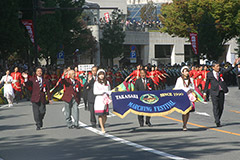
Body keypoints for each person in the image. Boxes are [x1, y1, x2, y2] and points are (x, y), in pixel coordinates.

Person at [203, 61, 232, 127]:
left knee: (221, 107)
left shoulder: (221, 72)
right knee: (215, 106)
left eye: (219, 66)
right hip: (214, 92)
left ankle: (218, 118)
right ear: (213, 67)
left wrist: (233, 64)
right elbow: (207, 84)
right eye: (217, 66)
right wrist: (204, 92)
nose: (218, 67)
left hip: (221, 91)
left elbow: (228, 70)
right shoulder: (209, 74)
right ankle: (217, 121)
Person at [174, 66, 195, 131]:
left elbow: (193, 87)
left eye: (187, 71)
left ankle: (185, 124)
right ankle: (184, 123)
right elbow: (176, 88)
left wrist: (190, 89)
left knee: (187, 111)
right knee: (184, 111)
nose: (187, 73)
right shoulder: (179, 79)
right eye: (185, 71)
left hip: (189, 96)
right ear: (182, 72)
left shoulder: (190, 79)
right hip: (182, 96)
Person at [93, 69, 111, 133]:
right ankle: (102, 128)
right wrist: (102, 92)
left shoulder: (107, 82)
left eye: (102, 74)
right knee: (100, 114)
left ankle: (102, 124)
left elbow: (109, 90)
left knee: (105, 115)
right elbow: (95, 92)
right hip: (99, 99)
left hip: (105, 99)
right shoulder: (96, 83)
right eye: (100, 75)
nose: (101, 76)